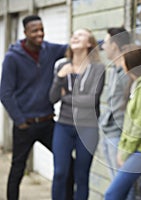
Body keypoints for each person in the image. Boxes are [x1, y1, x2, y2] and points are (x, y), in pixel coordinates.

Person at [0, 15, 73, 200]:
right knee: (17, 169)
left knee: (69, 164)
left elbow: (73, 48)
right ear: (25, 33)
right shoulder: (12, 57)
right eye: (35, 31)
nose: (40, 34)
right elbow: (5, 93)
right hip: (25, 126)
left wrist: (105, 41)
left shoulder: (49, 50)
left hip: (48, 122)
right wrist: (20, 120)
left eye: (41, 29)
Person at [49, 28, 105, 200]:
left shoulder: (98, 69)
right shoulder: (61, 65)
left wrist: (67, 97)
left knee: (82, 176)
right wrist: (60, 78)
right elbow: (52, 98)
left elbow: (91, 101)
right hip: (63, 125)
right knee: (60, 173)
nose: (74, 36)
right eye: (73, 34)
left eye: (80, 35)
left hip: (88, 129)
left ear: (89, 43)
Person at [104, 45, 141, 200]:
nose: (121, 64)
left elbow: (140, 124)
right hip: (138, 148)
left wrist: (125, 152)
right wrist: (123, 148)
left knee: (112, 194)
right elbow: (129, 123)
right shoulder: (137, 84)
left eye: (123, 61)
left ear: (130, 64)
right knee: (125, 192)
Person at [99, 27, 130, 178]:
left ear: (114, 46)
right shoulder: (113, 70)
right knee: (114, 181)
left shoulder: (127, 72)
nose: (103, 47)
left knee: (120, 186)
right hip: (108, 131)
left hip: (119, 136)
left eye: (105, 43)